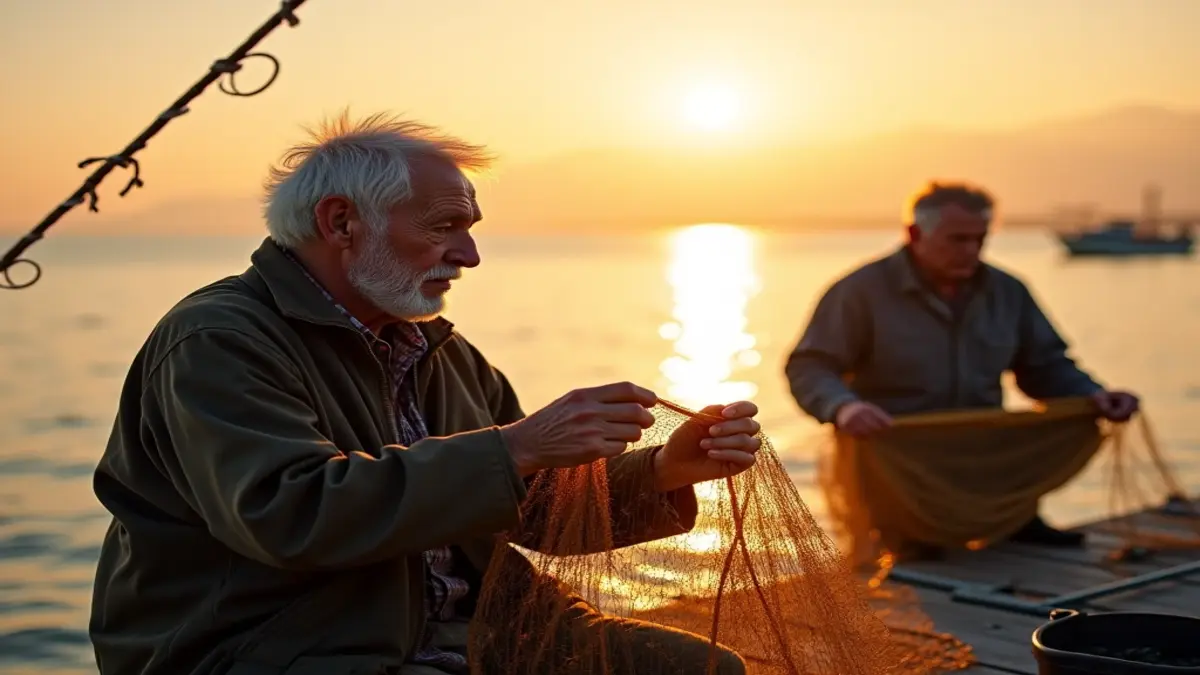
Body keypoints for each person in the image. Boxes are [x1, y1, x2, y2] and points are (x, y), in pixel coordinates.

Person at [88, 112, 759, 675]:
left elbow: (523, 505)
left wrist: (667, 467)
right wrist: (518, 444)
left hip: (475, 631)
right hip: (286, 651)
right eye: (443, 226)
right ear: (341, 222)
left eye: (469, 228)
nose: (469, 255)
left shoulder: (437, 347)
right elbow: (288, 513)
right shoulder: (217, 339)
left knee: (708, 669)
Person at [784, 181, 1139, 550]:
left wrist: (1094, 395)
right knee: (914, 564)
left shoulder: (1008, 291)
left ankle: (1016, 520)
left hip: (984, 462)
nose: (970, 251)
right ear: (914, 233)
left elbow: (1046, 366)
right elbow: (810, 367)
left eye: (979, 239)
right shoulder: (858, 292)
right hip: (896, 473)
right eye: (957, 239)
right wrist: (844, 407)